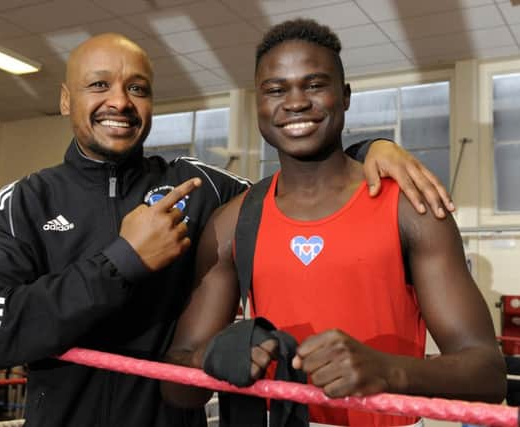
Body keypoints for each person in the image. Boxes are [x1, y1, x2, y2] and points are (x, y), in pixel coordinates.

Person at [0, 32, 454, 427]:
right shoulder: (21, 203)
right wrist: (121, 260)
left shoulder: (198, 186)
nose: (119, 102)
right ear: (65, 100)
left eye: (137, 88)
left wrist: (368, 152)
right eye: (98, 85)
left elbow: (298, 185)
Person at [161, 19, 506, 426]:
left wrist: (390, 372)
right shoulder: (231, 223)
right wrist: (209, 359)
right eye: (276, 90)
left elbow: (487, 374)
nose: (295, 103)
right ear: (259, 104)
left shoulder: (409, 206)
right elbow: (177, 387)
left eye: (313, 85)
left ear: (344, 96)